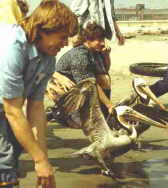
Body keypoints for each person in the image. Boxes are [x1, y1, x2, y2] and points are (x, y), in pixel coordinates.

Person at [0, 0, 78, 187]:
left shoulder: (48, 57)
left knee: (16, 147)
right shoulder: (12, 46)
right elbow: (13, 111)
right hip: (7, 103)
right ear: (44, 29)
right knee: (5, 157)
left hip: (7, 101)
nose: (66, 44)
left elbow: (35, 107)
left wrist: (43, 160)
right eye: (62, 37)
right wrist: (39, 161)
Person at [55, 22, 113, 120]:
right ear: (87, 40)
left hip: (79, 82)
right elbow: (90, 83)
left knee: (104, 79)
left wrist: (106, 55)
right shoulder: (80, 56)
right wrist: (109, 105)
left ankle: (103, 113)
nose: (103, 43)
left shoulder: (95, 51)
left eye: (103, 39)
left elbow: (104, 71)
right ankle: (60, 113)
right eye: (99, 40)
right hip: (62, 86)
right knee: (81, 121)